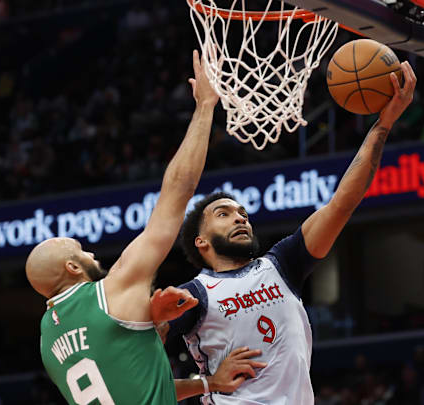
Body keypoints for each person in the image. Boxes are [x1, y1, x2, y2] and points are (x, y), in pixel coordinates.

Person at [162, 61, 417, 404]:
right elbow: (133, 380)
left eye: (243, 213)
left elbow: (342, 202)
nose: (240, 218)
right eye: (223, 214)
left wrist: (384, 123)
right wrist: (206, 384)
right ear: (201, 241)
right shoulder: (193, 295)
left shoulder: (282, 263)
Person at [26, 50, 265, 405]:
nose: (91, 252)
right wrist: (204, 108)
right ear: (73, 267)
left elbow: (133, 383)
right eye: (81, 251)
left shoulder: (48, 341)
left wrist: (209, 382)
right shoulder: (113, 288)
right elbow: (176, 195)